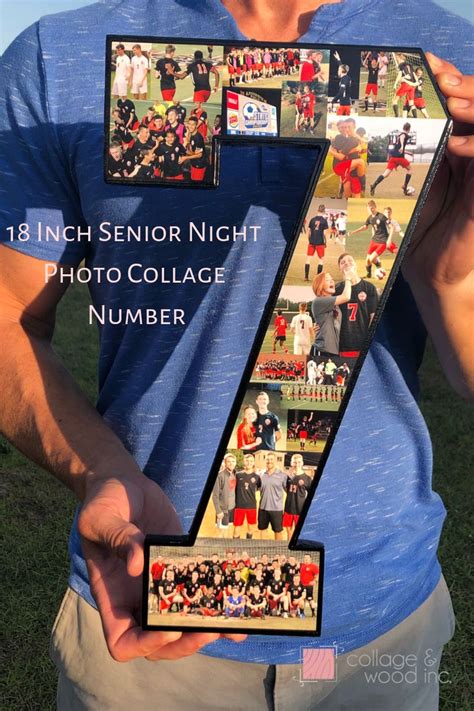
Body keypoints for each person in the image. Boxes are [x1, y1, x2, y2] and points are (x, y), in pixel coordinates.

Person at [0, 1, 472, 709]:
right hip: (149, 609)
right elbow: (8, 318)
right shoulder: (61, 56)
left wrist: (451, 280)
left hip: (377, 631)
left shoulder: (449, 58)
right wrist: (98, 467)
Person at [335, 253, 379, 358]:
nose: (346, 263)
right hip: (343, 344)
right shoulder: (336, 290)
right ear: (340, 269)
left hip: (363, 344)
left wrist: (368, 342)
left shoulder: (369, 287)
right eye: (343, 262)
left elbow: (373, 317)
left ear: (356, 265)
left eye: (350, 260)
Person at [349, 199, 396, 278]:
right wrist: (353, 232)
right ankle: (369, 274)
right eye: (369, 208)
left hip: (382, 242)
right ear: (367, 209)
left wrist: (389, 239)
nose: (371, 210)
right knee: (367, 261)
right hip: (374, 241)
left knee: (371, 259)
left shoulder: (381, 217)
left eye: (372, 208)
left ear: (375, 207)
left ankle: (379, 269)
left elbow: (392, 227)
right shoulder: (370, 218)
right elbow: (364, 227)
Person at [311, 270, 353, 356]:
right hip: (322, 350)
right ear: (319, 285)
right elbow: (346, 296)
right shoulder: (319, 301)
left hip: (333, 351)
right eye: (327, 279)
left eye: (332, 279)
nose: (331, 281)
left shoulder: (334, 304)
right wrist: (348, 279)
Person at [370, 122, 414, 196]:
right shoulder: (404, 135)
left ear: (403, 127)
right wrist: (402, 146)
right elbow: (402, 137)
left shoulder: (399, 135)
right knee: (410, 170)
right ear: (409, 129)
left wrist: (406, 152)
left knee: (385, 174)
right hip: (399, 158)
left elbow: (399, 144)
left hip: (393, 158)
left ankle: (374, 185)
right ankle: (405, 186)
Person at [257, 453, 288, 541]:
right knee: (262, 530)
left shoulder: (282, 475)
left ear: (275, 461)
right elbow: (256, 488)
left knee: (278, 532)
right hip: (263, 508)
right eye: (267, 459)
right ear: (265, 461)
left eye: (271, 459)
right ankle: (262, 551)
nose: (269, 461)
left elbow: (288, 491)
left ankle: (278, 553)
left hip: (277, 510)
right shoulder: (261, 475)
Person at [232, 453, 261, 539]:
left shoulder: (257, 477)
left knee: (251, 528)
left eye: (251, 461)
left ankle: (248, 543)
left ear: (254, 462)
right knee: (237, 528)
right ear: (244, 462)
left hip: (251, 506)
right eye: (247, 461)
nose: (249, 462)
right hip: (239, 506)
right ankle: (235, 547)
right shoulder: (238, 475)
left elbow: (258, 488)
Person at [211, 454, 237, 535]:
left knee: (229, 531)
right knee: (221, 533)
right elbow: (215, 495)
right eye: (228, 461)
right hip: (223, 510)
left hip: (232, 509)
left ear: (235, 463)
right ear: (225, 463)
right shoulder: (220, 475)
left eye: (233, 461)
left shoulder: (234, 474)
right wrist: (218, 511)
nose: (231, 463)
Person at [304, 204, 329, 281]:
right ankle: (318, 278)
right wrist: (325, 242)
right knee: (321, 259)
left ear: (317, 210)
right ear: (324, 211)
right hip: (320, 242)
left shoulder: (312, 219)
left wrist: (310, 240)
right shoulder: (324, 221)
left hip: (311, 242)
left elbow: (309, 232)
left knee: (308, 259)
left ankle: (306, 277)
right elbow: (324, 233)